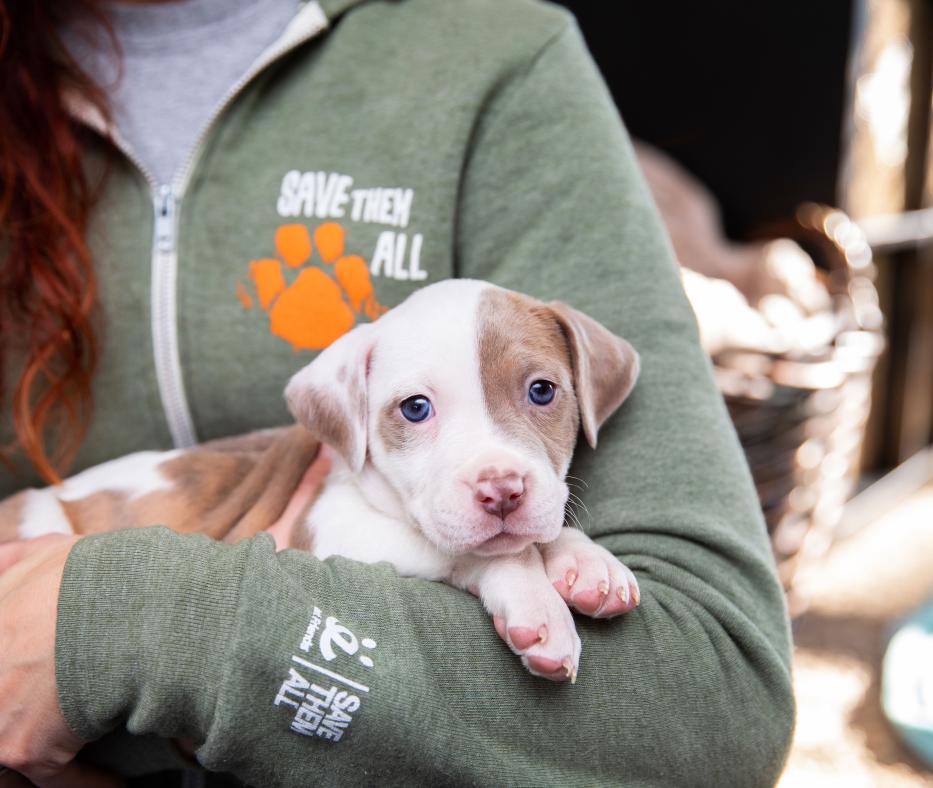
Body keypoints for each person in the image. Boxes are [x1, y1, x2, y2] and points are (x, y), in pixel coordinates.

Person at [0, 0, 796, 785]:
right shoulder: (356, 464)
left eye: (542, 394)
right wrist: (491, 572)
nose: (497, 469)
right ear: (348, 417)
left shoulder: (502, 58)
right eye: (416, 410)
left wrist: (135, 630)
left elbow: (718, 694)